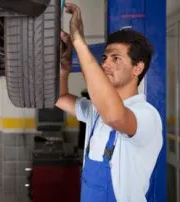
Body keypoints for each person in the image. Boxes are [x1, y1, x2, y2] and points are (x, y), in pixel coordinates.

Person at [55, 3, 163, 202]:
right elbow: (60, 98)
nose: (105, 64)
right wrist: (64, 69)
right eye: (104, 58)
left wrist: (79, 42)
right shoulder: (96, 111)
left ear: (137, 68)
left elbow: (115, 115)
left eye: (116, 58)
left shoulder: (147, 115)